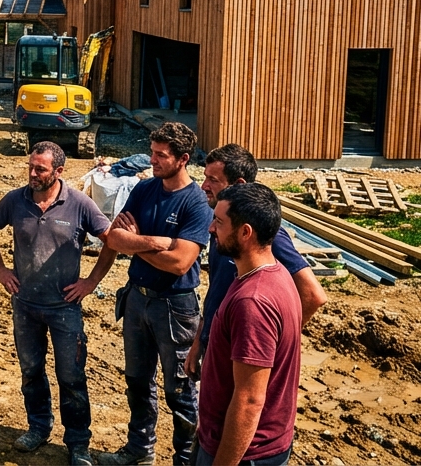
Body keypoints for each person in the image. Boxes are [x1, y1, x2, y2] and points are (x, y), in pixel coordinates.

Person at [0, 141, 116, 466]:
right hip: (25, 306)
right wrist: (0, 269)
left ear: (58, 171)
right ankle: (38, 428)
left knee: (71, 377)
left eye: (40, 169)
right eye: (30, 166)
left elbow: (111, 241)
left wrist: (91, 282)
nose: (32, 173)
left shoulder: (80, 204)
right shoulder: (15, 200)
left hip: (64, 309)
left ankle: (78, 444)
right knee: (31, 371)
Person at [96, 122, 212, 466]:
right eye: (153, 152)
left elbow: (179, 263)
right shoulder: (145, 190)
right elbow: (113, 238)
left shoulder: (196, 203)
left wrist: (136, 244)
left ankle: (186, 459)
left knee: (180, 391)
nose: (153, 160)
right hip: (137, 299)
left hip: (175, 307)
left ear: (183, 159)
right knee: (136, 380)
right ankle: (139, 451)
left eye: (162, 155)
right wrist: (155, 243)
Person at [187, 145, 326, 379]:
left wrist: (270, 345)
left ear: (239, 185)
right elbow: (217, 291)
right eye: (205, 178)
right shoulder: (222, 230)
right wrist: (200, 340)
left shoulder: (262, 236)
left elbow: (313, 295)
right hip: (216, 345)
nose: (204, 187)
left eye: (213, 180)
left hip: (240, 358)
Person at [195, 182, 301, 466]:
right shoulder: (272, 276)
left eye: (219, 222)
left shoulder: (252, 301)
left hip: (245, 454)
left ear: (245, 232)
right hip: (246, 444)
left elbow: (249, 401)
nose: (211, 229)